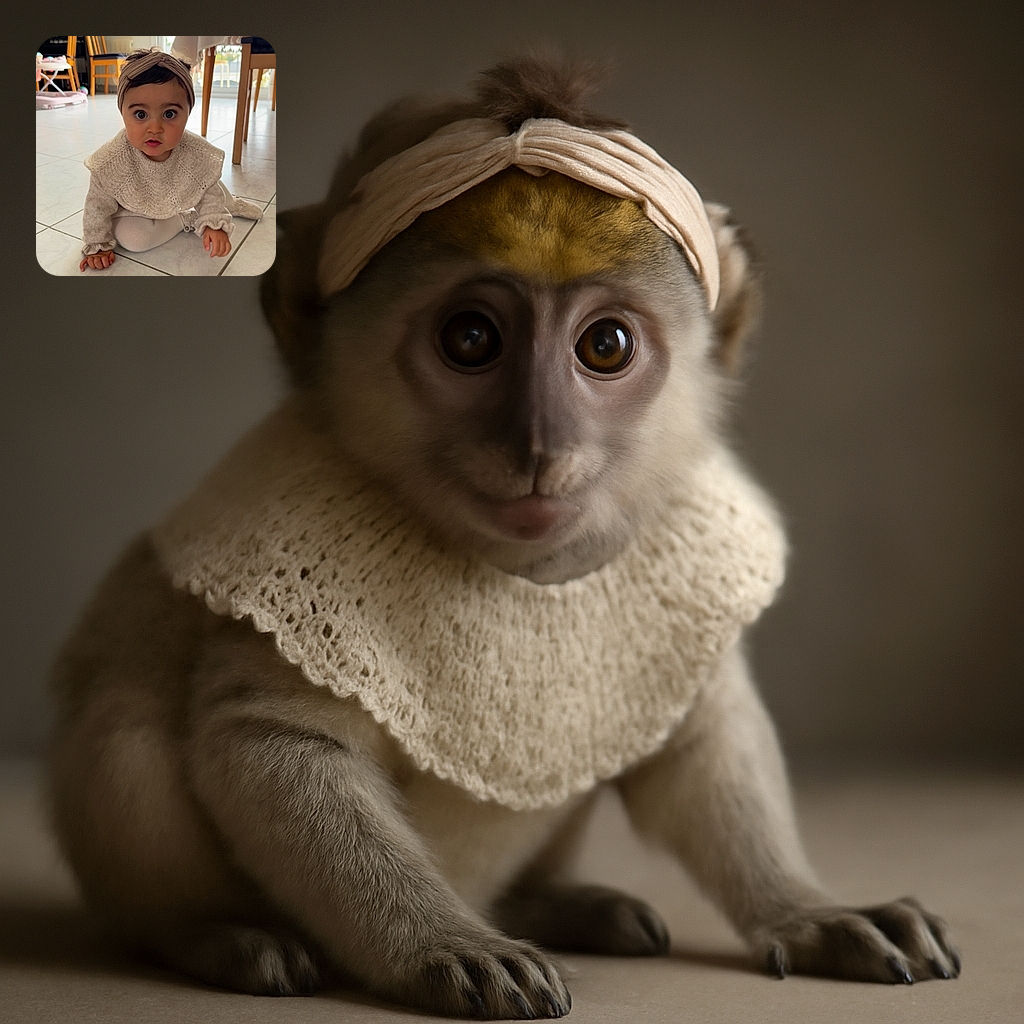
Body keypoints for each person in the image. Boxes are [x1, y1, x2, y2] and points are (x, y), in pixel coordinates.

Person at [79, 49, 263, 272]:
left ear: (188, 113)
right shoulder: (111, 160)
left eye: (169, 114)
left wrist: (214, 222)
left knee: (208, 180)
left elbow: (207, 190)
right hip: (137, 207)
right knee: (134, 239)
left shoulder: (193, 152)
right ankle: (185, 219)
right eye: (140, 115)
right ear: (122, 113)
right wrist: (97, 244)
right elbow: (97, 206)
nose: (155, 128)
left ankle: (229, 204)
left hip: (183, 186)